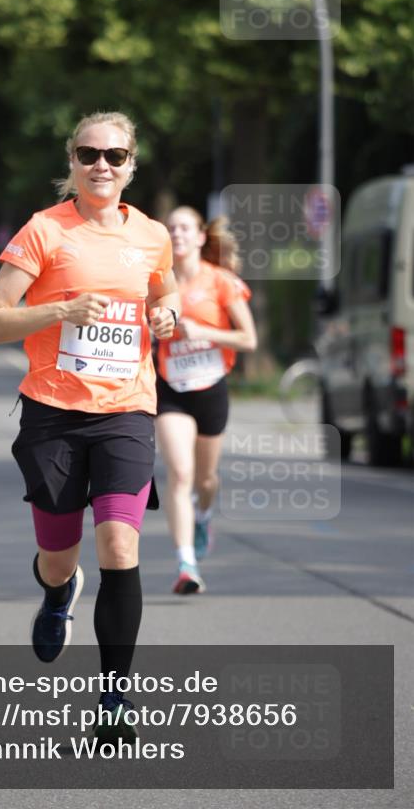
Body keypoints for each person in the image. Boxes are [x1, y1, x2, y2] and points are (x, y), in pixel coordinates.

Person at [0, 111, 179, 741]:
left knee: (120, 546)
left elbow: (163, 292)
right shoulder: (44, 231)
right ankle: (57, 594)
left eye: (114, 156)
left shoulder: (150, 235)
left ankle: (115, 703)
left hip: (127, 408)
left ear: (130, 165)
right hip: (53, 413)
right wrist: (62, 307)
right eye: (89, 154)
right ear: (72, 162)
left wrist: (166, 314)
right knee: (60, 558)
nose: (102, 165)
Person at [154, 206, 257, 595]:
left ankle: (204, 514)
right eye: (171, 228)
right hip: (171, 387)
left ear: (200, 237)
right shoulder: (156, 283)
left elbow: (249, 339)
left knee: (206, 478)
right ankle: (186, 564)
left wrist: (204, 331)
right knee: (179, 473)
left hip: (211, 385)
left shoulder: (221, 281)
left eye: (185, 228)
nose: (177, 234)